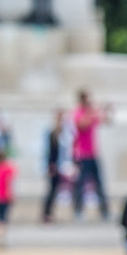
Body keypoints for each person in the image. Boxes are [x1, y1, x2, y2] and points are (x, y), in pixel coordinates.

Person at [71, 90, 111, 219]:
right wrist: (94, 110)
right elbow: (82, 124)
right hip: (81, 155)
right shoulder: (78, 113)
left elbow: (107, 121)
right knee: (80, 185)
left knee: (99, 184)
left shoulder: (90, 113)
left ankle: (104, 211)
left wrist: (105, 110)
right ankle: (78, 211)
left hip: (93, 153)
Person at [41, 108, 73, 223]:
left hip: (63, 165)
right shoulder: (53, 133)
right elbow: (51, 151)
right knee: (52, 190)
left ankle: (50, 213)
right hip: (55, 166)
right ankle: (47, 213)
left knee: (58, 191)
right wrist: (51, 165)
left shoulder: (64, 132)